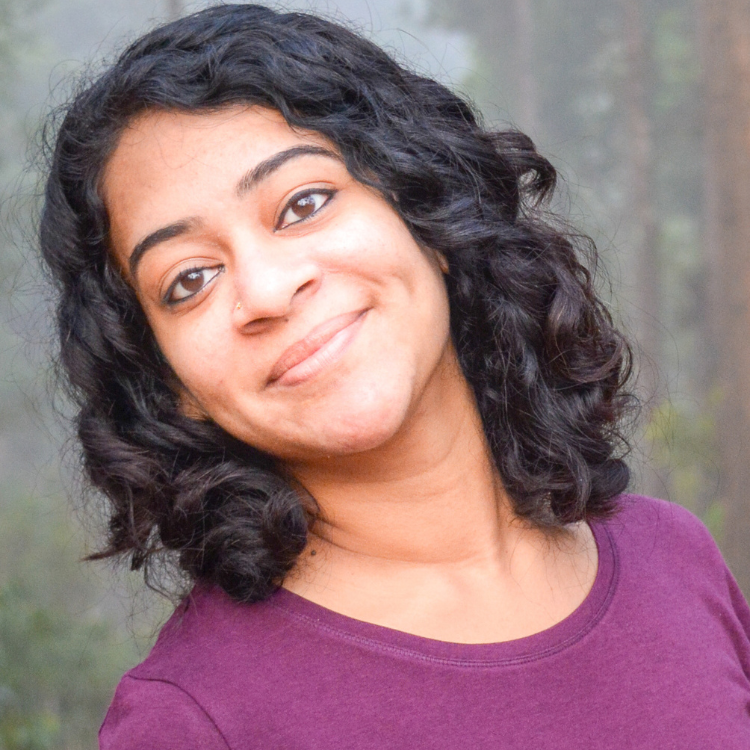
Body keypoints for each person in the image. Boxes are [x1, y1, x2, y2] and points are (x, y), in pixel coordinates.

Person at [39, 4, 750, 748]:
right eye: (190, 279)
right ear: (169, 380)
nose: (269, 290)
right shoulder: (190, 720)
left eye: (303, 204)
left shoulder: (673, 559)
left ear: (427, 213)